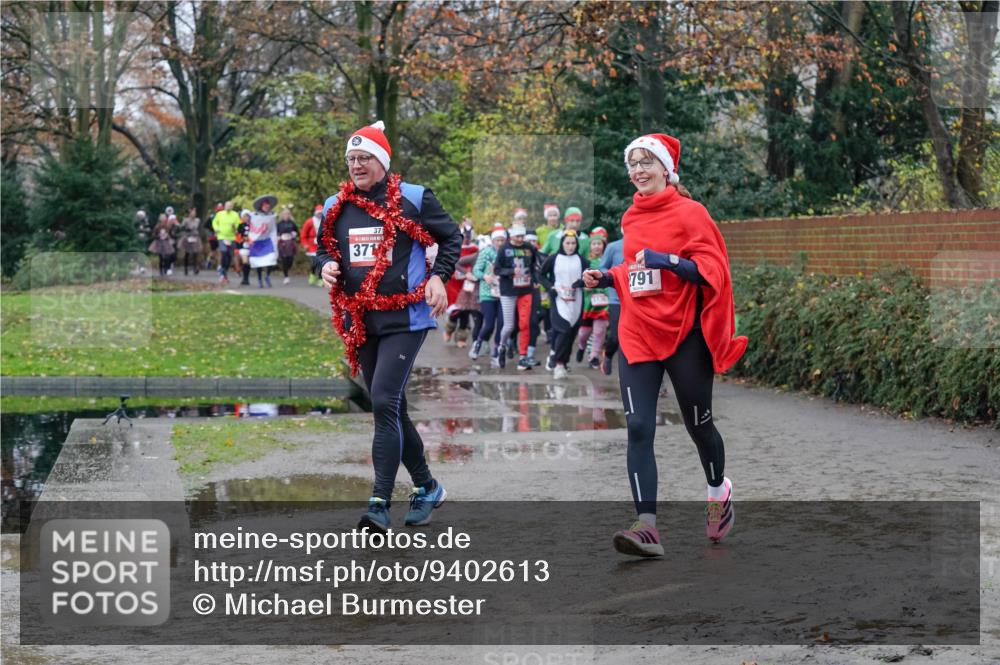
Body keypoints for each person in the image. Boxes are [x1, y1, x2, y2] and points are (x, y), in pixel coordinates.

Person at [583, 133, 748, 557]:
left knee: (699, 426)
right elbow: (636, 271)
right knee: (638, 427)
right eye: (633, 163)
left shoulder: (691, 213)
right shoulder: (631, 217)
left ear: (665, 169)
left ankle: (718, 490)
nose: (638, 170)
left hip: (685, 334)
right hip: (638, 332)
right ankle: (647, 528)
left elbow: (712, 271)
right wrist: (608, 277)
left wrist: (668, 260)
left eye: (646, 162)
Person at [314, 120, 462, 532]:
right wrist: (325, 265)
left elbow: (451, 238)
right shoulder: (335, 205)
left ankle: (379, 503)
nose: (356, 165)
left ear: (382, 161)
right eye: (351, 159)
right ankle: (427, 487)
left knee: (383, 400)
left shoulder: (413, 197)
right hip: (361, 319)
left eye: (364, 157)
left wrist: (438, 277)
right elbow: (323, 248)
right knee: (391, 406)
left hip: (406, 318)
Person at [538, 230, 587, 380]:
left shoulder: (582, 260)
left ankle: (564, 362)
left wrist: (581, 283)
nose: (570, 246)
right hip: (559, 299)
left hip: (576, 300)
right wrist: (550, 287)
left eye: (573, 243)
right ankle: (558, 363)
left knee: (571, 333)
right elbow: (540, 275)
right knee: (563, 330)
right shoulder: (553, 258)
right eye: (567, 243)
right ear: (562, 244)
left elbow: (588, 278)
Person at [494, 222, 539, 370]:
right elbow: (497, 269)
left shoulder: (529, 248)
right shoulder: (504, 249)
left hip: (525, 290)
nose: (520, 239)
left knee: (524, 324)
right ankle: (502, 346)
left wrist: (535, 279)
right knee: (509, 326)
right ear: (512, 236)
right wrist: (511, 272)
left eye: (522, 236)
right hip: (508, 291)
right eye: (517, 236)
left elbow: (534, 266)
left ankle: (523, 357)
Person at [574, 226, 610, 369]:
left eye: (599, 243)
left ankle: (594, 356)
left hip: (604, 303)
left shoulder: (608, 261)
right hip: (589, 303)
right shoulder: (585, 261)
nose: (596, 246)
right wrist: (584, 286)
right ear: (590, 245)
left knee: (599, 332)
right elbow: (579, 280)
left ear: (604, 245)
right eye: (594, 243)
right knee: (584, 333)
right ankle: (581, 346)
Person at [471, 224, 506, 363]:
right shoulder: (485, 252)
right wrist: (485, 277)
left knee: (502, 324)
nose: (500, 243)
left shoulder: (507, 252)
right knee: (489, 324)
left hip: (503, 293)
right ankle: (477, 345)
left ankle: (496, 352)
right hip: (487, 293)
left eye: (502, 240)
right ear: (493, 240)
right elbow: (476, 270)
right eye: (497, 240)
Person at [598, 236, 625, 376]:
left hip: (640, 300)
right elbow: (602, 267)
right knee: (616, 336)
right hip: (617, 299)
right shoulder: (614, 246)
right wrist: (614, 276)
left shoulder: (647, 243)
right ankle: (608, 355)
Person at [249, 196, 278, 287]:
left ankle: (267, 275)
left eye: (268, 206)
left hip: (267, 241)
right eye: (265, 206)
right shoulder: (255, 216)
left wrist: (274, 239)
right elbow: (252, 226)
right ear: (261, 206)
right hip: (257, 241)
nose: (267, 208)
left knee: (271, 259)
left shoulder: (271, 216)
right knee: (259, 262)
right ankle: (259, 279)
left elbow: (273, 228)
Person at [213, 200, 240, 284]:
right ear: (224, 206)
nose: (228, 207)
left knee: (229, 256)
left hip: (231, 238)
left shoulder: (235, 215)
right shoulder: (220, 214)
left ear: (232, 207)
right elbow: (214, 222)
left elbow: (237, 225)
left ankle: (224, 272)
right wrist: (216, 229)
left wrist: (235, 227)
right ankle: (222, 272)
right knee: (224, 252)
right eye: (227, 205)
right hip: (222, 237)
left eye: (230, 206)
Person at [276, 206, 299, 284]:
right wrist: (278, 237)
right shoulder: (279, 224)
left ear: (289, 215)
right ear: (282, 215)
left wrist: (294, 234)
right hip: (282, 243)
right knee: (284, 259)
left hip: (290, 242)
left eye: (287, 214)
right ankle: (286, 276)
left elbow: (297, 231)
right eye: (284, 214)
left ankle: (288, 269)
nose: (286, 215)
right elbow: (276, 232)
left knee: (290, 259)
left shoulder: (292, 223)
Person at [301, 204, 323, 286]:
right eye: (318, 213)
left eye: (321, 213)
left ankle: (320, 278)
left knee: (321, 262)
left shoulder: (325, 221)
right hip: (312, 246)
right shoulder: (309, 222)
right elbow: (303, 234)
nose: (320, 215)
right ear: (315, 213)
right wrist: (305, 244)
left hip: (322, 245)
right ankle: (313, 274)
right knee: (315, 262)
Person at [179, 207, 202, 276]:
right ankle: (186, 268)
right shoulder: (186, 220)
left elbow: (198, 228)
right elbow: (181, 227)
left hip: (195, 236)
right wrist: (186, 229)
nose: (194, 214)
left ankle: (195, 267)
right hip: (188, 237)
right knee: (187, 253)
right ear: (189, 214)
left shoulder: (197, 220)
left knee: (195, 253)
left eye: (195, 213)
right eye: (192, 213)